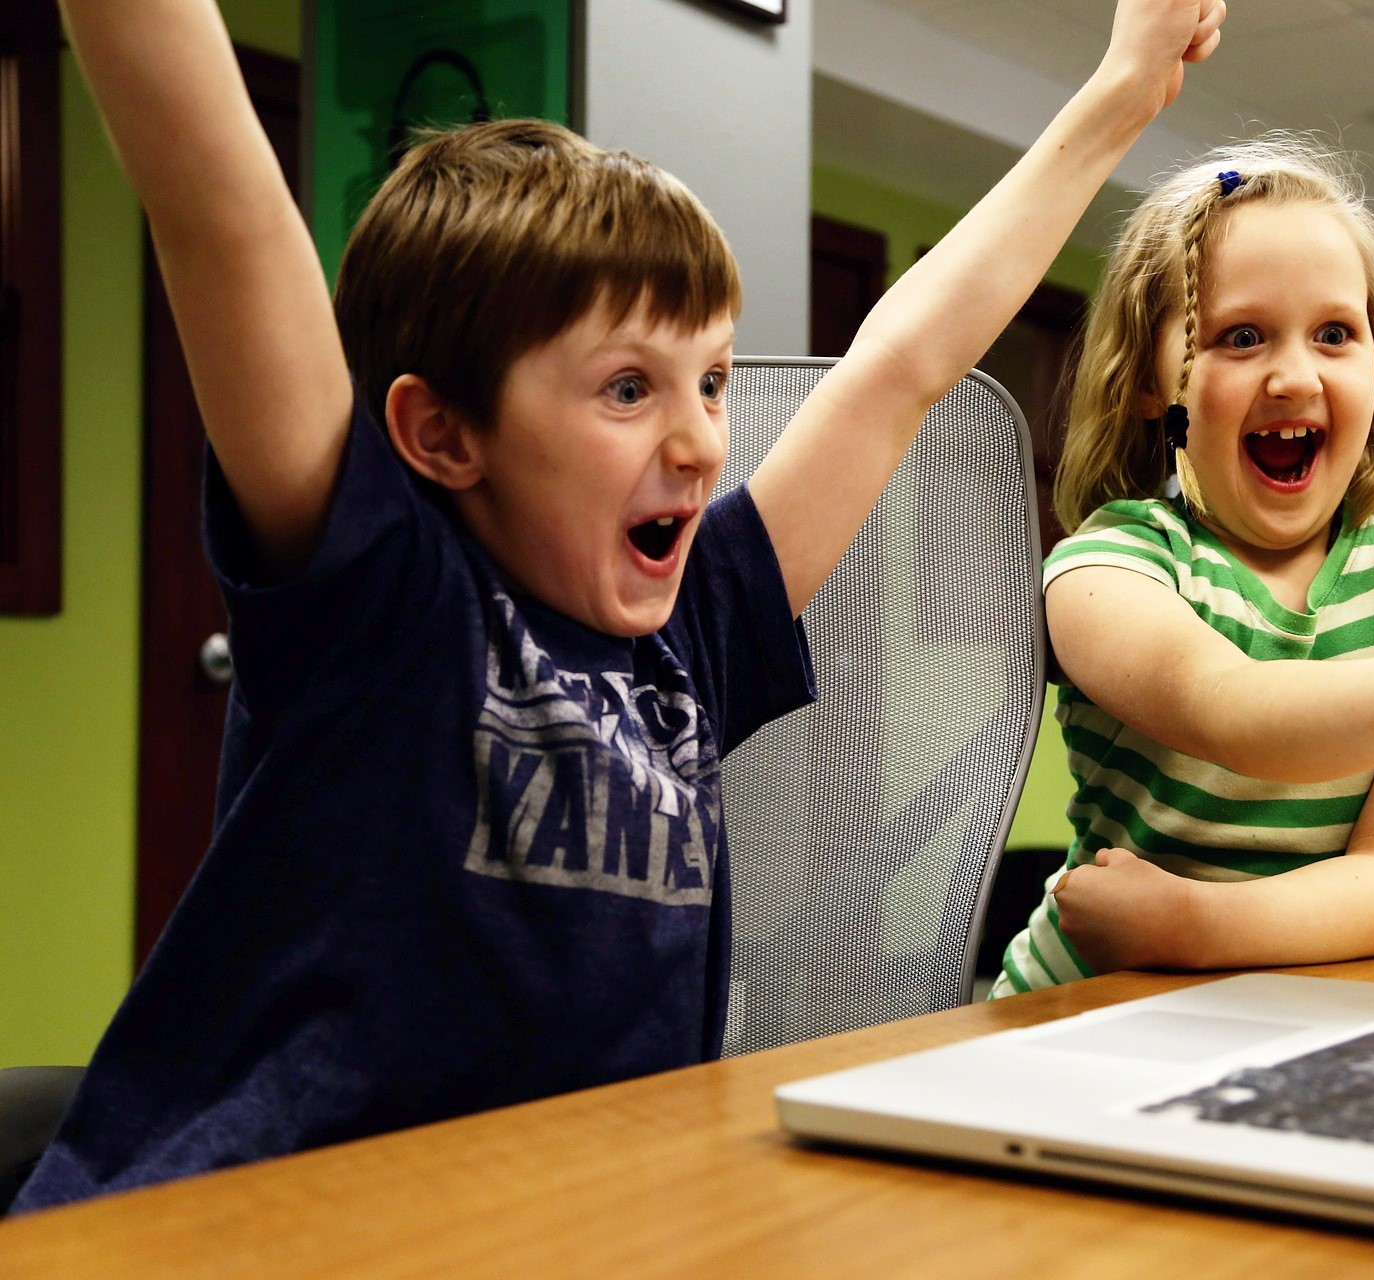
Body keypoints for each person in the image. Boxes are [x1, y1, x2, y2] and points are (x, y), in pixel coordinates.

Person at [16, 0, 1227, 1210]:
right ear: (440, 433)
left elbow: (900, 369)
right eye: (629, 389)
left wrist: (1122, 88)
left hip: (568, 1214)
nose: (705, 441)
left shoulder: (692, 627)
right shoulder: (381, 595)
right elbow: (218, 217)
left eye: (709, 378)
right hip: (249, 1224)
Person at [991, 134, 1374, 997]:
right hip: (1085, 1006)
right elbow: (1231, 709)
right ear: (1149, 383)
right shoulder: (1106, 565)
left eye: (1336, 334)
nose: (1294, 376)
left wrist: (1192, 927)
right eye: (1242, 336)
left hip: (1298, 1006)